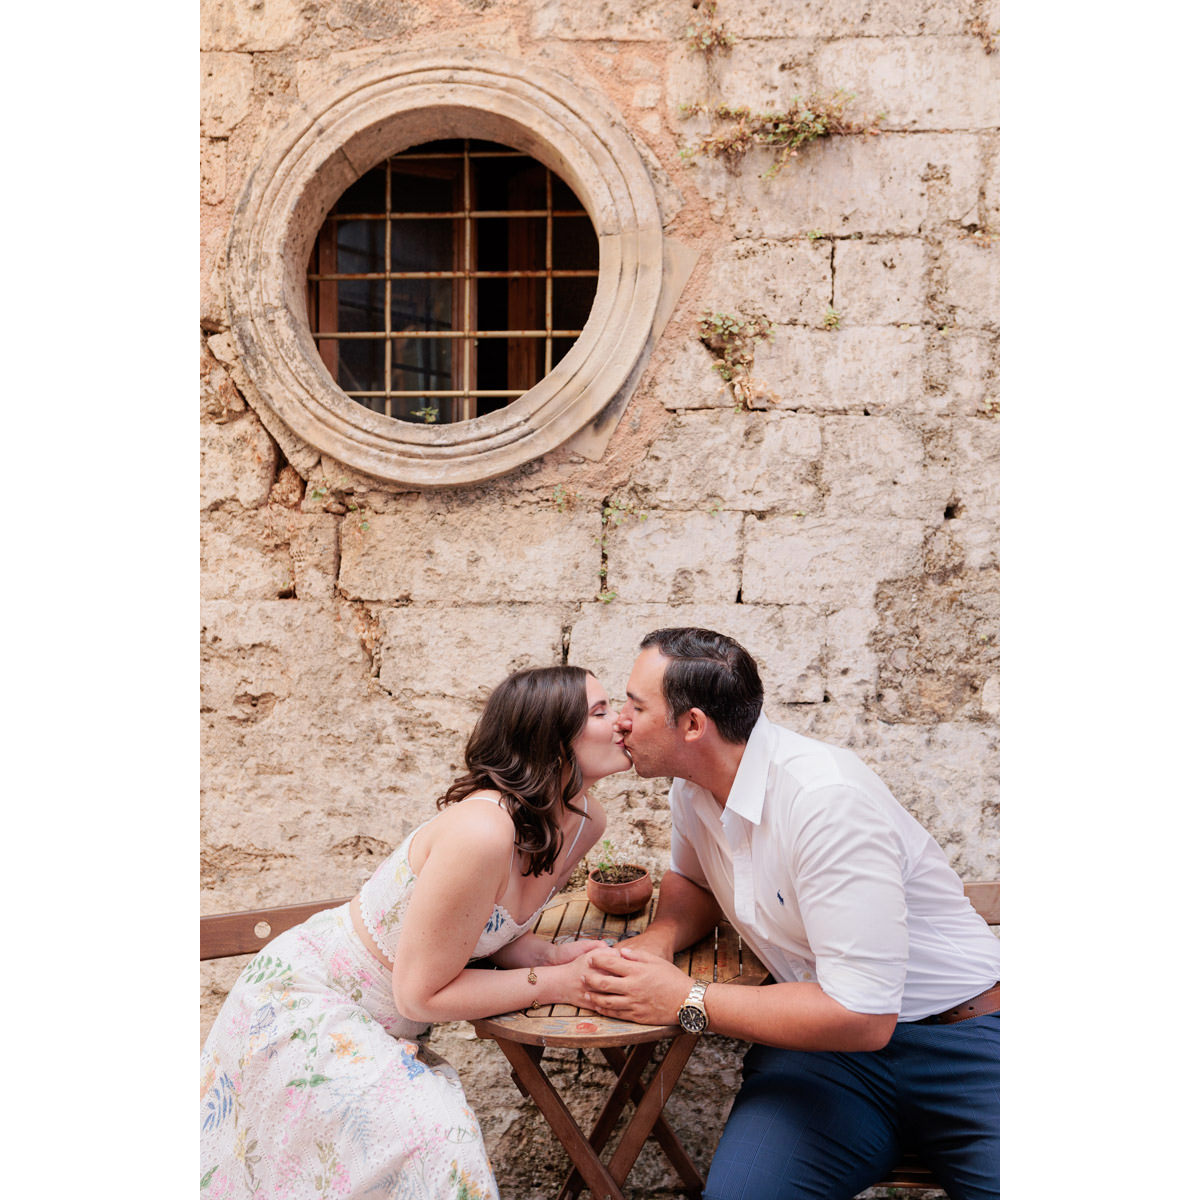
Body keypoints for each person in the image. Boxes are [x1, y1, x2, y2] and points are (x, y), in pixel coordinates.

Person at [582, 628, 1000, 1200]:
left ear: (694, 725)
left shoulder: (824, 800)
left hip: (968, 1044)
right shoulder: (693, 788)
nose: (621, 720)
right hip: (826, 1060)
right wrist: (659, 941)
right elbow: (693, 882)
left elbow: (863, 1013)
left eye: (636, 705)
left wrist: (685, 999)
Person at [200, 665, 629, 1199]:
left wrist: (547, 952)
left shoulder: (585, 820)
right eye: (601, 711)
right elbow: (419, 992)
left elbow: (483, 927)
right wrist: (558, 982)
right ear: (552, 737)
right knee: (436, 1137)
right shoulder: (482, 829)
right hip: (307, 1003)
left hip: (389, 1019)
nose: (623, 722)